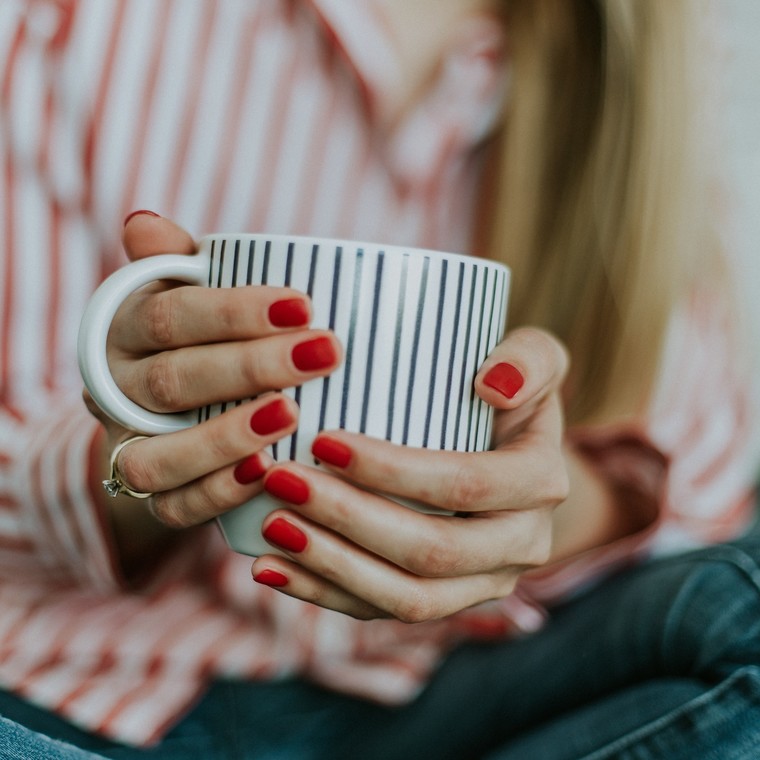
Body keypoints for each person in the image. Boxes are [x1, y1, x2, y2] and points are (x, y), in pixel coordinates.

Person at [0, 0, 758, 758]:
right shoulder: (90, 22)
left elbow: (705, 483)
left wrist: (519, 508)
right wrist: (136, 458)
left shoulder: (646, 58)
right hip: (89, 687)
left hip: (437, 702)